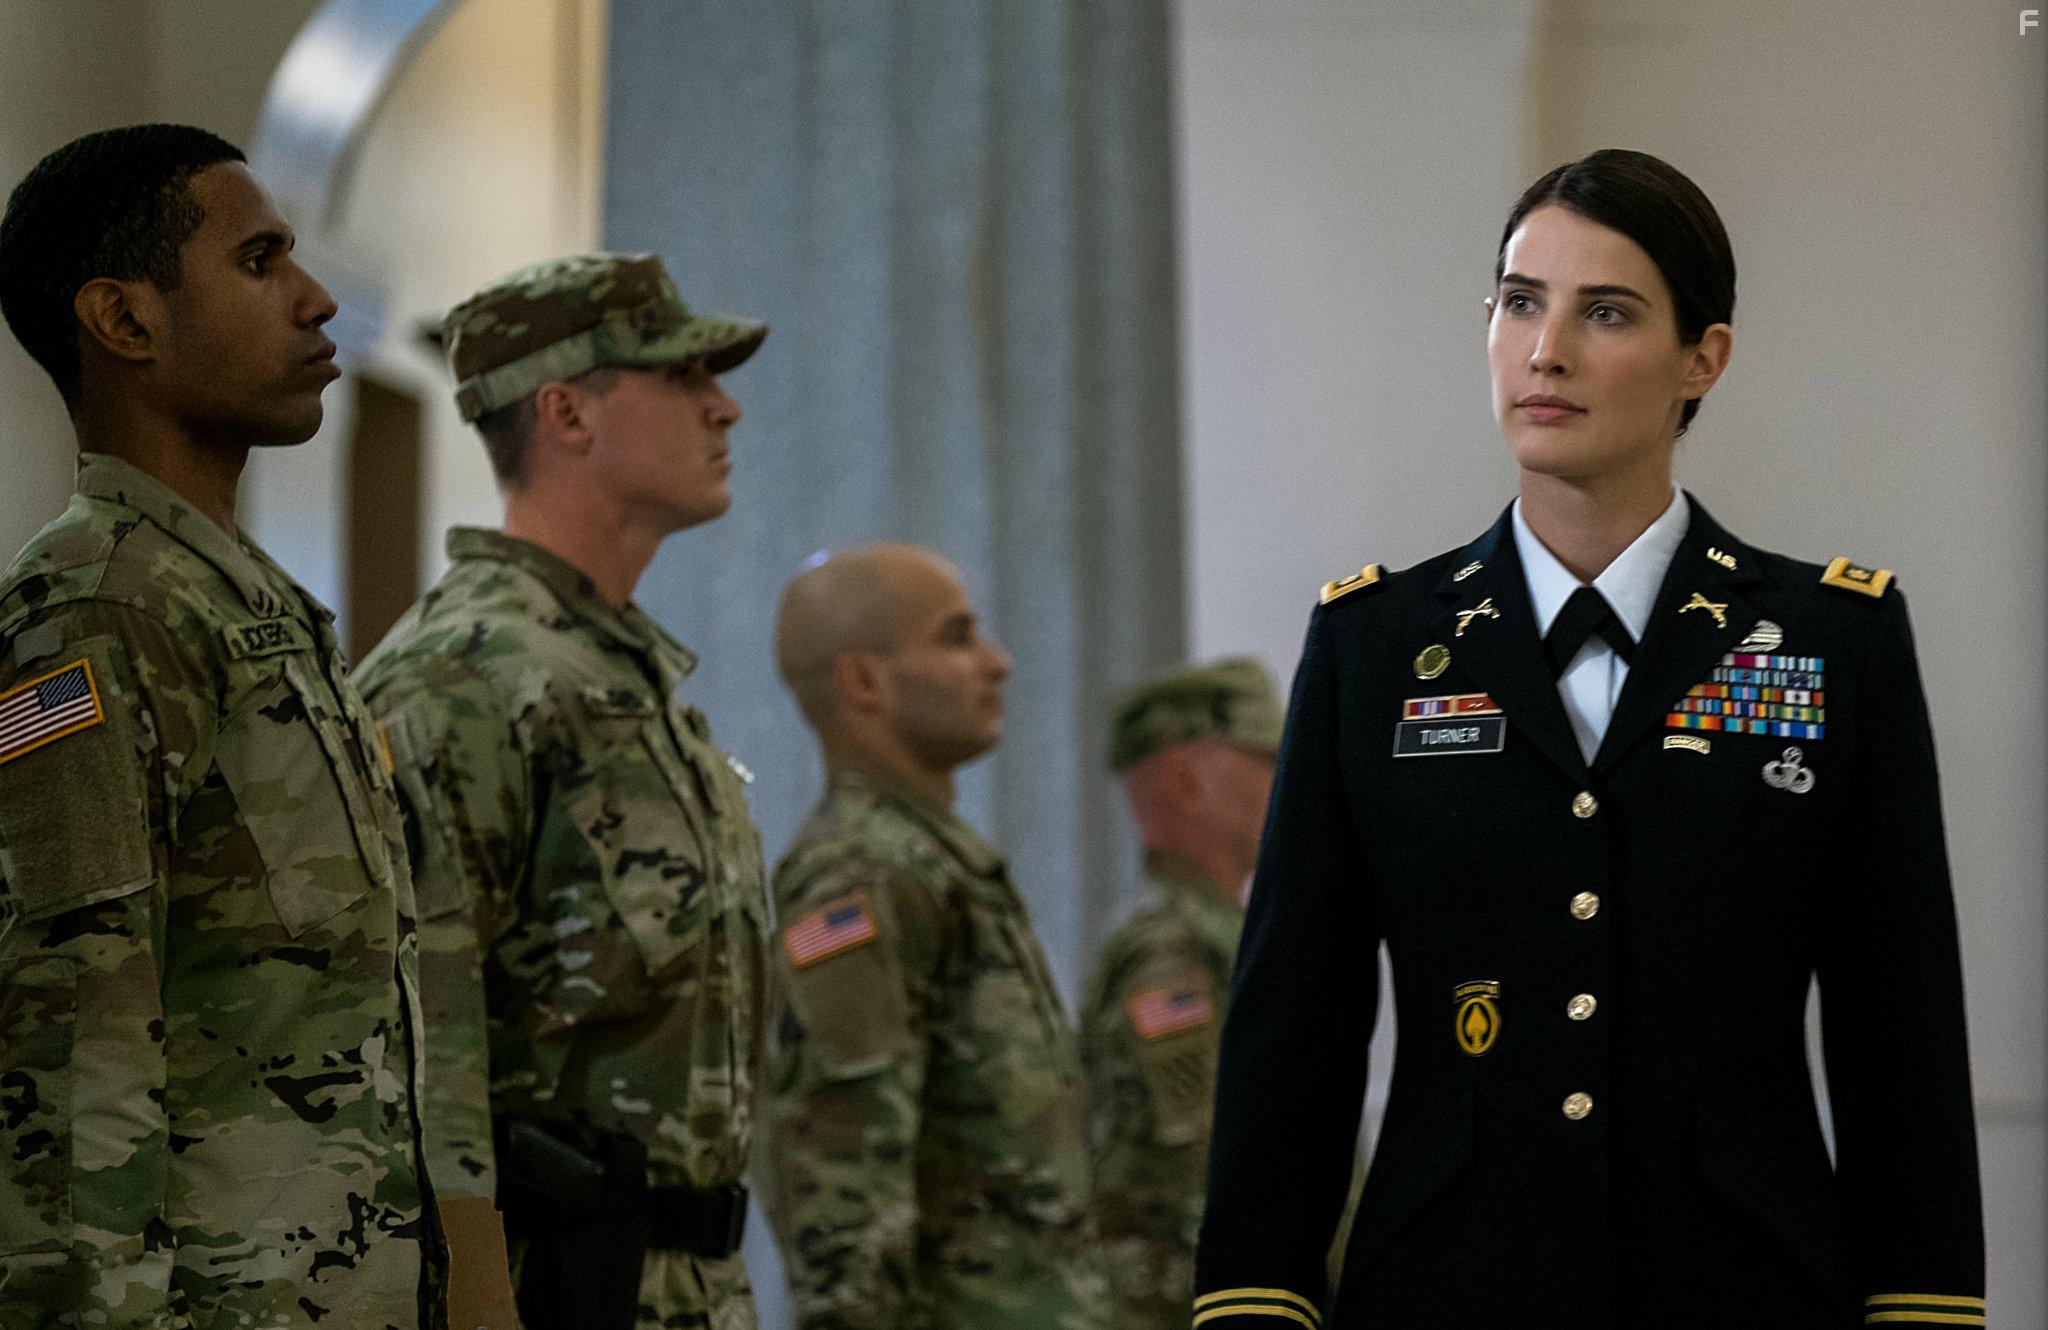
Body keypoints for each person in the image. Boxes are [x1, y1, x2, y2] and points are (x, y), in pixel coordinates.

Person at [1193, 149, 1984, 1329]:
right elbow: (1290, 1031)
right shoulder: (1372, 646)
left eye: (1602, 312)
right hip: (1444, 1290)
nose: (1544, 349)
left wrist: (1920, 1309)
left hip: (1741, 1291)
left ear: (1699, 358)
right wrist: (1255, 1304)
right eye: (1519, 303)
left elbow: (1899, 1036)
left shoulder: (1826, 640)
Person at [0, 124, 440, 1327]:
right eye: (259, 262)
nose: (314, 297)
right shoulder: (96, 609)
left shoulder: (252, 604)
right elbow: (75, 1050)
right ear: (125, 320)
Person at [352, 252, 770, 1330]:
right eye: (682, 377)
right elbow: (414, 1045)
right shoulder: (461, 676)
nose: (723, 405)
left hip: (684, 1287)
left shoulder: (615, 673)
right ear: (565, 411)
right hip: (550, 1291)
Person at [761, 543, 1108, 1330]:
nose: (999, 663)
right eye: (957, 638)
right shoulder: (863, 874)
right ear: (863, 680)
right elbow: (842, 1184)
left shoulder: (930, 860)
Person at [1078, 658, 1281, 1329]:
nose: (1290, 782)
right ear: (1190, 783)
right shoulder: (1175, 951)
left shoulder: (1220, 933)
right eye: (1268, 761)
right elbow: (1206, 1173)